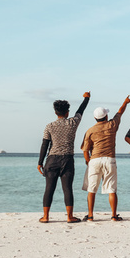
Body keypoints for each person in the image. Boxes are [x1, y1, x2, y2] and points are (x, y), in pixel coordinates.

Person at [37, 91, 90, 223]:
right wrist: (86, 98)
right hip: (67, 160)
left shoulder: (49, 126)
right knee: (67, 188)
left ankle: (45, 216)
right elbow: (81, 110)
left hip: (52, 160)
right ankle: (69, 216)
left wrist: (40, 162)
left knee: (49, 188)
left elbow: (44, 145)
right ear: (67, 112)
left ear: (56, 112)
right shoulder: (72, 123)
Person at [80, 95, 130, 222]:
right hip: (109, 159)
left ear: (95, 118)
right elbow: (120, 112)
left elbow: (85, 150)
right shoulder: (112, 125)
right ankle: (114, 215)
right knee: (111, 189)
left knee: (92, 189)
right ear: (106, 116)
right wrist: (125, 102)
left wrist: (88, 162)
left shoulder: (90, 130)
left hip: (95, 160)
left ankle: (90, 215)